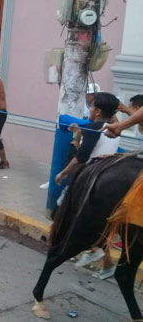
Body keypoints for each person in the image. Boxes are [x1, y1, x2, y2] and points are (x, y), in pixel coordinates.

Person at [55, 92, 121, 273]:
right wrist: (78, 134)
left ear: (98, 111)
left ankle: (92, 250)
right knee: (99, 222)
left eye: (91, 106)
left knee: (61, 210)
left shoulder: (94, 128)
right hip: (105, 179)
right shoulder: (116, 129)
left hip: (88, 178)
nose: (89, 109)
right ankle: (106, 265)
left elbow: (82, 157)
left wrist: (62, 173)